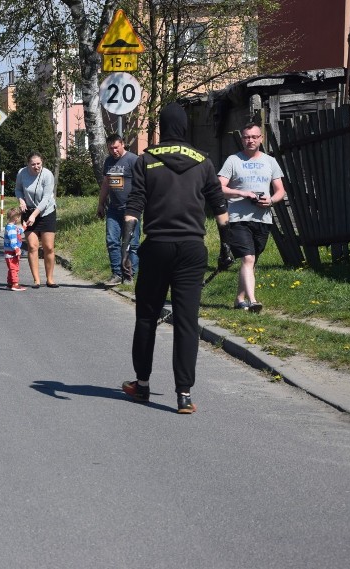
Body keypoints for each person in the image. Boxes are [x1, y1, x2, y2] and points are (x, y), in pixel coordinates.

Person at [121, 102, 234, 414]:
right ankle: (184, 394)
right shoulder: (204, 162)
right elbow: (220, 206)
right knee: (187, 321)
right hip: (191, 250)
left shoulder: (147, 160)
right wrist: (226, 247)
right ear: (184, 127)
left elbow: (135, 205)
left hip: (157, 246)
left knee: (146, 317)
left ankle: (141, 386)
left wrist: (126, 247)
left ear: (162, 126)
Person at [218, 123, 286, 313]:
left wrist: (270, 200)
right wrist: (243, 193)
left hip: (262, 219)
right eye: (247, 137)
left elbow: (280, 190)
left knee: (251, 261)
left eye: (254, 137)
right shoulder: (233, 160)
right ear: (242, 139)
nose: (251, 140)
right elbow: (219, 188)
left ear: (261, 139)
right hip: (238, 218)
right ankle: (253, 301)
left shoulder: (270, 161)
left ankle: (239, 299)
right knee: (248, 257)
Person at [97, 134, 139, 286]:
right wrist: (101, 204)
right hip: (113, 209)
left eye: (116, 147)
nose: (114, 151)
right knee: (112, 241)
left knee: (132, 243)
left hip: (131, 209)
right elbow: (106, 184)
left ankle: (130, 275)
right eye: (111, 148)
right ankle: (117, 273)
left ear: (122, 144)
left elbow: (143, 183)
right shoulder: (108, 161)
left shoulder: (133, 160)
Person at [15, 152, 58, 288]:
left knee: (48, 247)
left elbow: (46, 198)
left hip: (46, 212)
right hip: (28, 211)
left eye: (38, 164)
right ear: (28, 164)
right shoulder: (22, 173)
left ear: (42, 163)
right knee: (32, 246)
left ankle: (50, 279)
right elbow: (18, 189)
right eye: (33, 164)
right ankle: (36, 279)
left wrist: (35, 215)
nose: (36, 166)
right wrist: (21, 200)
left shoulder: (47, 174)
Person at [3, 207, 26, 291]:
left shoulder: (11, 227)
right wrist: (17, 249)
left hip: (10, 252)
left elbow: (19, 231)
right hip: (12, 252)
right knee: (14, 268)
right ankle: (15, 284)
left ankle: (10, 283)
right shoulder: (11, 229)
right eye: (19, 217)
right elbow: (13, 241)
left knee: (11, 268)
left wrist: (24, 227)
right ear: (16, 218)